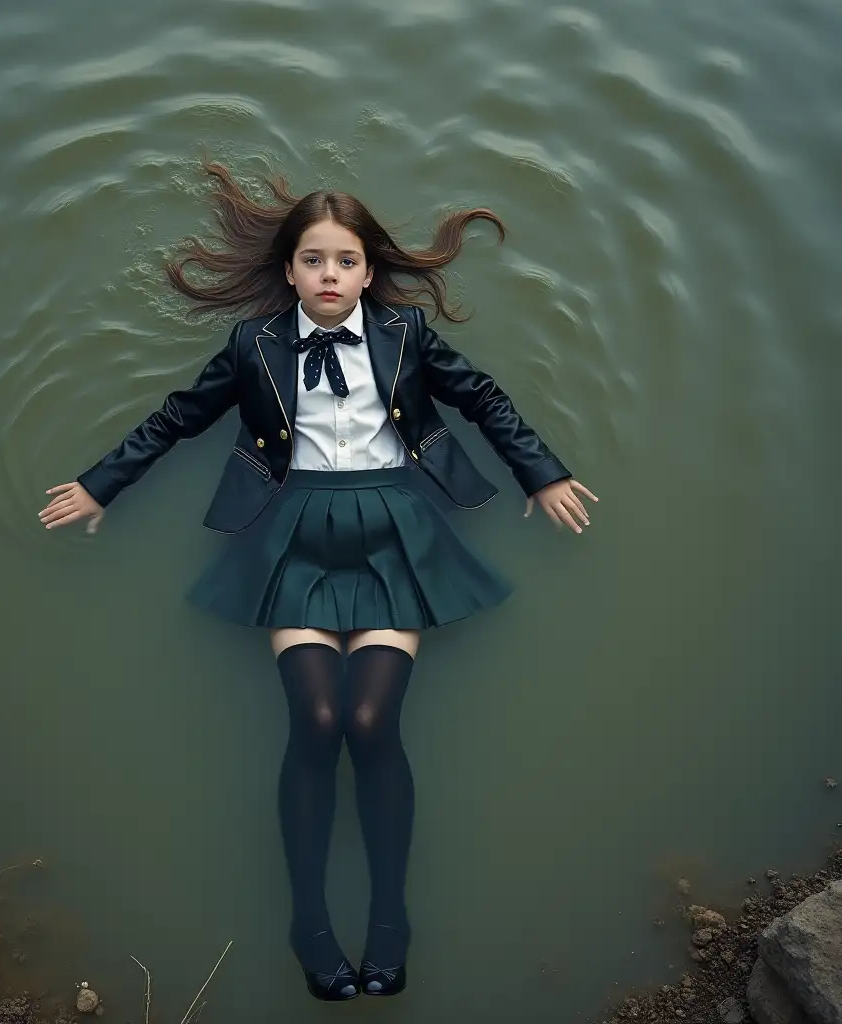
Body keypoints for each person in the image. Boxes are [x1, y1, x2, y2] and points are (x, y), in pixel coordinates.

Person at [38, 161, 598, 1002]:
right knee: (319, 714)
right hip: (293, 529)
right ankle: (308, 922)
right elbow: (178, 416)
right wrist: (100, 484)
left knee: (370, 718)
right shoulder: (253, 345)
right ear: (289, 271)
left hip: (394, 531)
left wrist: (541, 474)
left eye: (344, 261)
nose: (329, 276)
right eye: (312, 261)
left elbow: (484, 398)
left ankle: (388, 923)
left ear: (368, 272)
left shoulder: (406, 334)